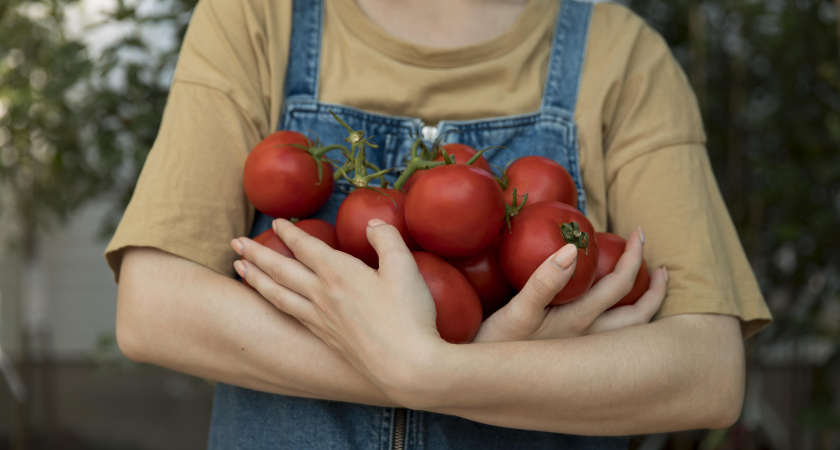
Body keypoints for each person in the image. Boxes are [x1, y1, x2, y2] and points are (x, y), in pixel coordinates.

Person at [106, 0, 772, 448]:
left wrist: (436, 373)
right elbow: (155, 306)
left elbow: (707, 373)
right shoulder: (256, 19)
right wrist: (430, 363)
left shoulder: (620, 55)